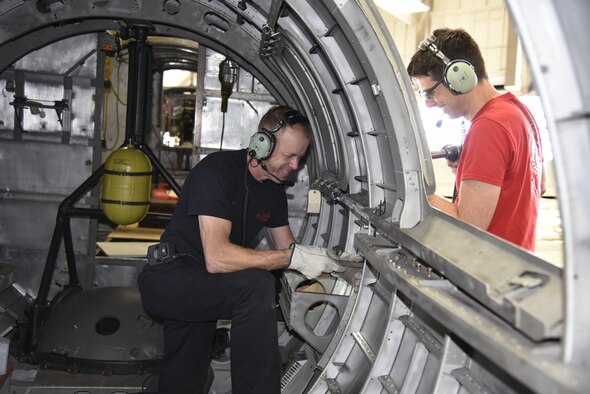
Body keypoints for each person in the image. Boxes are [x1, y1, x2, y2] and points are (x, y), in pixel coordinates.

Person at [138, 105, 347, 394]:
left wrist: (330, 265)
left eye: (300, 157)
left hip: (205, 286)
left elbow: (288, 250)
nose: (295, 166)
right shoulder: (217, 172)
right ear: (261, 144)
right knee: (255, 284)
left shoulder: (273, 190)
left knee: (185, 378)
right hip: (169, 278)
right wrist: (291, 257)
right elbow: (217, 257)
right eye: (288, 156)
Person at [407, 28, 546, 251]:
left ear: (459, 76)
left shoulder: (488, 127)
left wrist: (416, 191)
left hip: (490, 271)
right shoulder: (519, 112)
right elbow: (539, 185)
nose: (429, 103)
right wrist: (473, 171)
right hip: (516, 264)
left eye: (429, 93)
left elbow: (469, 227)